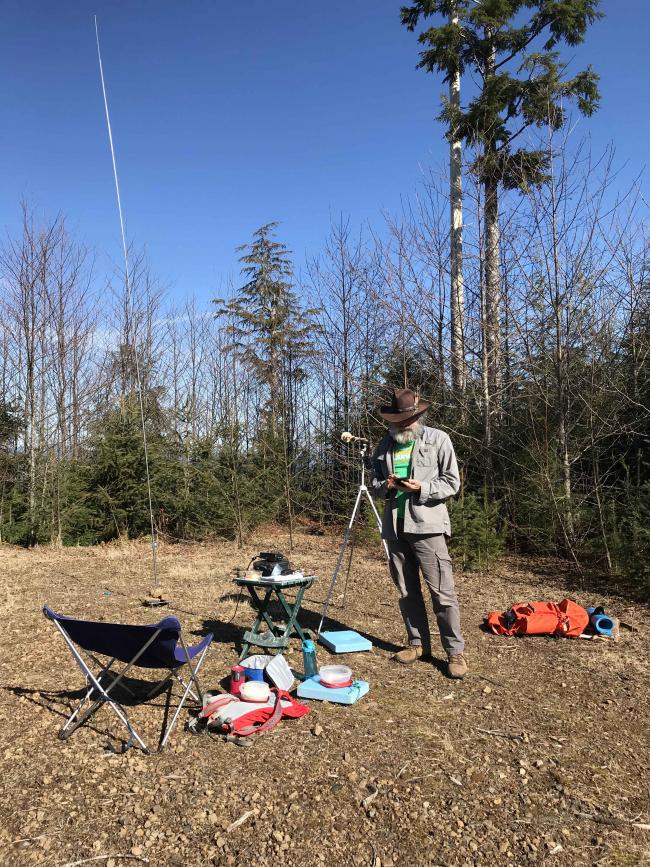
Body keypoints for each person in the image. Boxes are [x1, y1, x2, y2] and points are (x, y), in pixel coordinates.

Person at [370, 388, 467, 679]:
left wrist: (421, 488)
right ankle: (417, 643)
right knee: (406, 589)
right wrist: (385, 485)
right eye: (398, 421)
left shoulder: (439, 440)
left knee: (442, 592)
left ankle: (454, 652)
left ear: (418, 416)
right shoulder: (385, 444)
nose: (403, 426)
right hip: (395, 526)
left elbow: (452, 482)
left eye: (408, 420)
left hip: (428, 527)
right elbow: (373, 482)